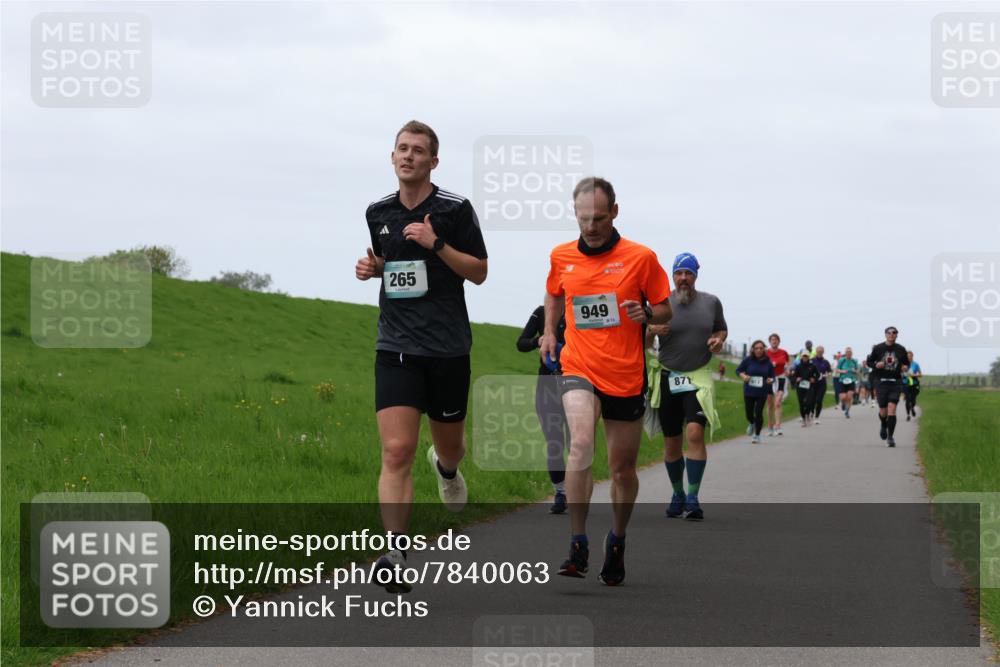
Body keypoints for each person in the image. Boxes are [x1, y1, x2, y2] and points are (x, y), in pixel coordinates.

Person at [355, 120, 489, 592]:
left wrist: (437, 244)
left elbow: (479, 272)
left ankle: (447, 468)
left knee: (450, 446)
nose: (408, 156)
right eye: (401, 149)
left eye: (418, 150)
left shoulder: (454, 209)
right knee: (395, 450)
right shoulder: (377, 211)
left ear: (434, 161)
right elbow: (395, 270)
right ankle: (393, 552)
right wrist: (375, 269)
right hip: (396, 345)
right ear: (392, 157)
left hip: (448, 349)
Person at [540, 177, 672, 586]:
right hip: (578, 365)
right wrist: (548, 329)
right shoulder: (562, 255)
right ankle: (577, 541)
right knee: (580, 442)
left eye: (598, 217)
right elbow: (555, 292)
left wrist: (646, 316)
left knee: (622, 470)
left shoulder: (641, 258)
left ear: (615, 212)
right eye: (583, 218)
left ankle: (616, 539)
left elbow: (665, 310)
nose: (591, 226)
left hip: (625, 374)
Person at [645, 252, 727, 521]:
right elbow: (643, 342)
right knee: (671, 443)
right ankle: (677, 493)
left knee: (694, 433)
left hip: (697, 377)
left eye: (688, 273)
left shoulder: (711, 302)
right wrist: (653, 331)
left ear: (695, 275)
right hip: (668, 376)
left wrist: (717, 340)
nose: (683, 278)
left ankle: (693, 496)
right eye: (679, 273)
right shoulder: (660, 303)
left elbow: (721, 329)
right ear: (672, 275)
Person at [517, 305, 569, 513]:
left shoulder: (580, 310)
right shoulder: (541, 312)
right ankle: (561, 492)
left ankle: (578, 491)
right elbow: (520, 343)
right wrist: (537, 340)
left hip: (578, 381)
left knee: (578, 442)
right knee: (554, 441)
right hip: (547, 385)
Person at [866, 326, 909, 447]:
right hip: (881, 382)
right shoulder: (878, 348)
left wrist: (905, 367)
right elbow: (869, 362)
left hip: (895, 382)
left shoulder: (901, 349)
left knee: (892, 407)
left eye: (894, 333)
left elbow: (906, 363)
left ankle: (890, 437)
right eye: (889, 333)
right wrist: (876, 364)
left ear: (897, 335)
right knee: (883, 410)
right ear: (885, 334)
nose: (891, 335)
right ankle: (883, 424)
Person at [736, 340, 775, 444]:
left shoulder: (768, 362)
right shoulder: (748, 360)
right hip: (749, 391)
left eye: (761, 348)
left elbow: (772, 376)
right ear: (753, 349)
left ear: (764, 349)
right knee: (749, 414)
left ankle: (757, 435)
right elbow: (738, 370)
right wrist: (743, 376)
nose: (759, 350)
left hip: (762, 391)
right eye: (756, 348)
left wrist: (771, 380)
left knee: (758, 413)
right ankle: (752, 423)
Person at [765, 333, 790, 436]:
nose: (774, 341)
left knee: (778, 403)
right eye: (772, 339)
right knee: (770, 405)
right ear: (769, 341)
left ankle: (778, 426)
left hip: (781, 378)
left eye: (776, 340)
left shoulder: (784, 352)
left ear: (779, 341)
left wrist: (787, 370)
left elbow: (787, 363)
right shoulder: (766, 353)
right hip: (770, 379)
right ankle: (770, 426)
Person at [791, 352, 820, 426]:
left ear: (809, 357)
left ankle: (807, 415)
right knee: (801, 403)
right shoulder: (798, 366)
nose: (805, 358)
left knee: (808, 402)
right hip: (800, 386)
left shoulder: (812, 366)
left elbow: (818, 375)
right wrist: (796, 379)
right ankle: (803, 419)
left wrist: (814, 379)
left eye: (806, 356)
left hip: (809, 386)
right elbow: (793, 377)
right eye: (804, 356)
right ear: (801, 357)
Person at [835, 347, 860, 418]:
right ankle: (843, 403)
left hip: (851, 380)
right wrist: (842, 371)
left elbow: (858, 371)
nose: (849, 354)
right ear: (845, 353)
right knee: (843, 397)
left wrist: (854, 371)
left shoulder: (854, 361)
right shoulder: (841, 360)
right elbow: (837, 370)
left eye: (850, 353)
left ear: (852, 354)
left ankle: (847, 411)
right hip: (842, 380)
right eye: (847, 353)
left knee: (849, 396)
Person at [811, 346, 832, 424]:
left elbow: (829, 371)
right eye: (818, 351)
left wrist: (828, 374)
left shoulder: (826, 362)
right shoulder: (812, 361)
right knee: (812, 400)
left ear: (823, 352)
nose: (819, 353)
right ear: (816, 352)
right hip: (812, 384)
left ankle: (816, 417)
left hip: (822, 384)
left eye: (821, 351)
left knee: (819, 400)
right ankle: (811, 413)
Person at [903, 350, 922, 421]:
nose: (909, 357)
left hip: (914, 383)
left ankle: (912, 407)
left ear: (912, 356)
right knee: (907, 400)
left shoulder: (916, 364)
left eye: (910, 356)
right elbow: (900, 373)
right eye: (907, 356)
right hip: (906, 383)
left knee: (913, 400)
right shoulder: (904, 365)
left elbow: (920, 374)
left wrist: (914, 375)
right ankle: (908, 415)